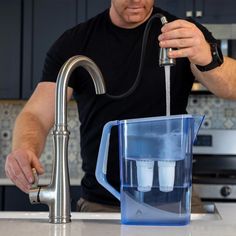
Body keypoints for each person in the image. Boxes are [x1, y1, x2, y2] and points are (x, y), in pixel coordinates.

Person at [5, 0, 236, 212]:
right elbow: (37, 113)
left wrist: (208, 56)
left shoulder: (180, 33)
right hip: (102, 204)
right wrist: (25, 148)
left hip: (174, 200)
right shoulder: (75, 42)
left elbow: (231, 87)